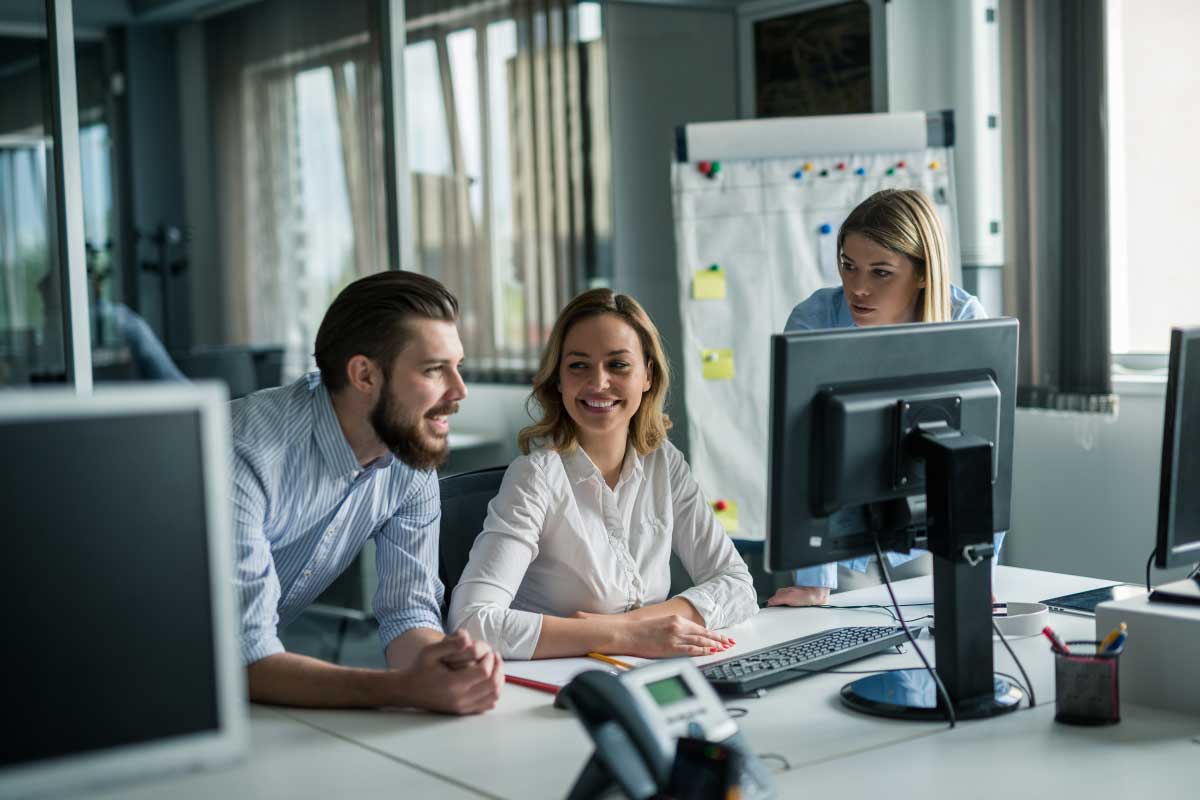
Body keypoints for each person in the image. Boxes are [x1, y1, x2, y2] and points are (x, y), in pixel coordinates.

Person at [233, 270, 502, 713]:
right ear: (364, 375)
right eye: (435, 370)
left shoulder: (408, 457)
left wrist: (444, 666)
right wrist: (404, 689)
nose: (460, 391)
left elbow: (407, 613)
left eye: (458, 367)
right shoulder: (245, 454)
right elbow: (245, 657)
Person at [448, 289, 758, 660]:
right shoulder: (535, 477)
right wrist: (621, 637)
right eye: (578, 365)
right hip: (559, 688)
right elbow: (471, 623)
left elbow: (738, 585)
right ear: (558, 379)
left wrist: (635, 626)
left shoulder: (664, 462)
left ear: (648, 375)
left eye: (618, 365)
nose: (598, 383)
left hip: (645, 672)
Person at [768, 188, 1002, 607]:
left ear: (924, 272)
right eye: (848, 267)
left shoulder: (963, 319)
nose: (858, 288)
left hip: (930, 531)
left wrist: (979, 568)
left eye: (880, 272)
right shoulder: (814, 322)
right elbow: (801, 452)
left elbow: (984, 456)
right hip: (839, 542)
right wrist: (812, 578)